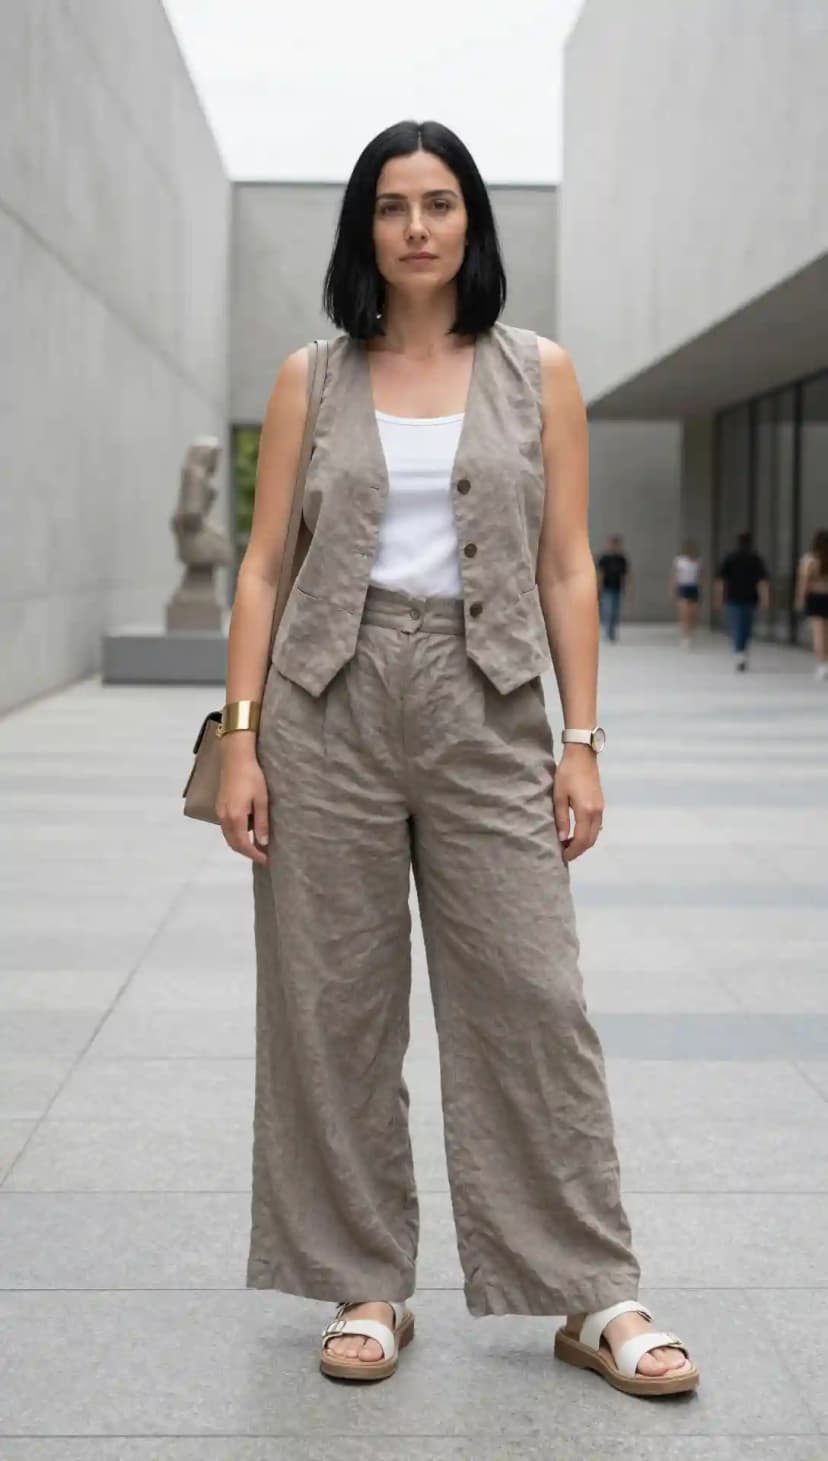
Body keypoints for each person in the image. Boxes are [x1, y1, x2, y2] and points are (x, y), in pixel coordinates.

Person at [216, 119, 698, 1398]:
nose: (417, 227)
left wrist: (580, 743)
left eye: (439, 203)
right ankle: (363, 1277)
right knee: (331, 1009)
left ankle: (592, 1292)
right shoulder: (308, 376)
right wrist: (247, 743)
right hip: (327, 703)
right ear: (362, 228)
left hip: (489, 703)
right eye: (391, 206)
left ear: (472, 222)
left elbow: (564, 568)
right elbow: (263, 568)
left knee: (536, 996)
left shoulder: (536, 371)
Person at [714, 530, 770, 670]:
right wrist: (765, 598)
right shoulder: (756, 559)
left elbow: (721, 581)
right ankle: (742, 651)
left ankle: (739, 652)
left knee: (736, 626)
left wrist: (719, 598)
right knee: (746, 627)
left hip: (733, 597)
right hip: (750, 598)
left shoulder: (730, 558)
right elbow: (762, 581)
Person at [795, 529, 828, 680]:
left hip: (815, 599)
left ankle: (822, 666)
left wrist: (800, 600)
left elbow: (804, 583)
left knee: (819, 634)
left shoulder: (809, 560)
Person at [596, 534, 630, 642]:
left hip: (617, 587)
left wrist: (628, 588)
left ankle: (612, 632)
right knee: (608, 610)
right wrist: (598, 588)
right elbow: (600, 574)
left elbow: (625, 575)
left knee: (615, 610)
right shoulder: (604, 558)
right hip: (606, 588)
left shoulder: (622, 559)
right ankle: (607, 631)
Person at [671, 540, 703, 648]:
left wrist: (701, 588)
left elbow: (700, 576)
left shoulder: (698, 561)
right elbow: (675, 575)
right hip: (683, 586)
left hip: (694, 587)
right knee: (684, 613)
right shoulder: (680, 561)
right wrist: (674, 589)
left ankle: (690, 633)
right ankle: (685, 636)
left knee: (693, 614)